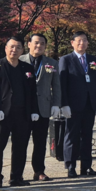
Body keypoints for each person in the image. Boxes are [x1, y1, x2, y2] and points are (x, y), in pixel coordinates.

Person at [0, 36, 39, 187]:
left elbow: (32, 91)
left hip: (23, 113)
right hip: (3, 113)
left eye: (18, 47)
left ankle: (16, 177)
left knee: (20, 146)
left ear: (22, 50)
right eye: (11, 46)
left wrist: (34, 110)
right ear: (5, 48)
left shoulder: (27, 68)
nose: (14, 50)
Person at [59, 31, 96, 177]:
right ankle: (70, 166)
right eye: (78, 41)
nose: (81, 43)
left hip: (89, 104)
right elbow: (62, 84)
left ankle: (86, 167)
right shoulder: (66, 59)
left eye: (84, 40)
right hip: (72, 105)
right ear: (72, 43)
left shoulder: (93, 60)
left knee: (87, 136)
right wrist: (63, 104)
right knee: (71, 136)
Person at [20, 33, 61, 181]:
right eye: (36, 43)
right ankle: (17, 173)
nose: (39, 46)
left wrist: (56, 104)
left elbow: (56, 86)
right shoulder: (19, 60)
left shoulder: (51, 63)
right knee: (21, 142)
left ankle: (39, 171)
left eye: (42, 43)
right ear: (29, 44)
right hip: (24, 108)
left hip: (43, 107)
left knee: (40, 142)